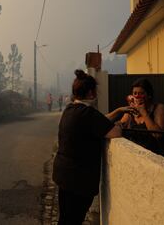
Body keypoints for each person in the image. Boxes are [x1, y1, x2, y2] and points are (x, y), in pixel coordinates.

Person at [52, 69, 122, 225]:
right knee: (74, 220)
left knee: (65, 218)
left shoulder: (71, 109)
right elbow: (115, 132)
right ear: (91, 93)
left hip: (64, 174)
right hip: (78, 179)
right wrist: (123, 120)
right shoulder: (88, 114)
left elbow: (98, 122)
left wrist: (116, 112)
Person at [117, 78, 164, 155]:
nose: (137, 96)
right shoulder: (131, 111)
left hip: (154, 156)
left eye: (141, 93)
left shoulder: (158, 108)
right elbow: (119, 127)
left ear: (149, 95)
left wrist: (144, 112)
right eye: (135, 93)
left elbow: (158, 135)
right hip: (134, 155)